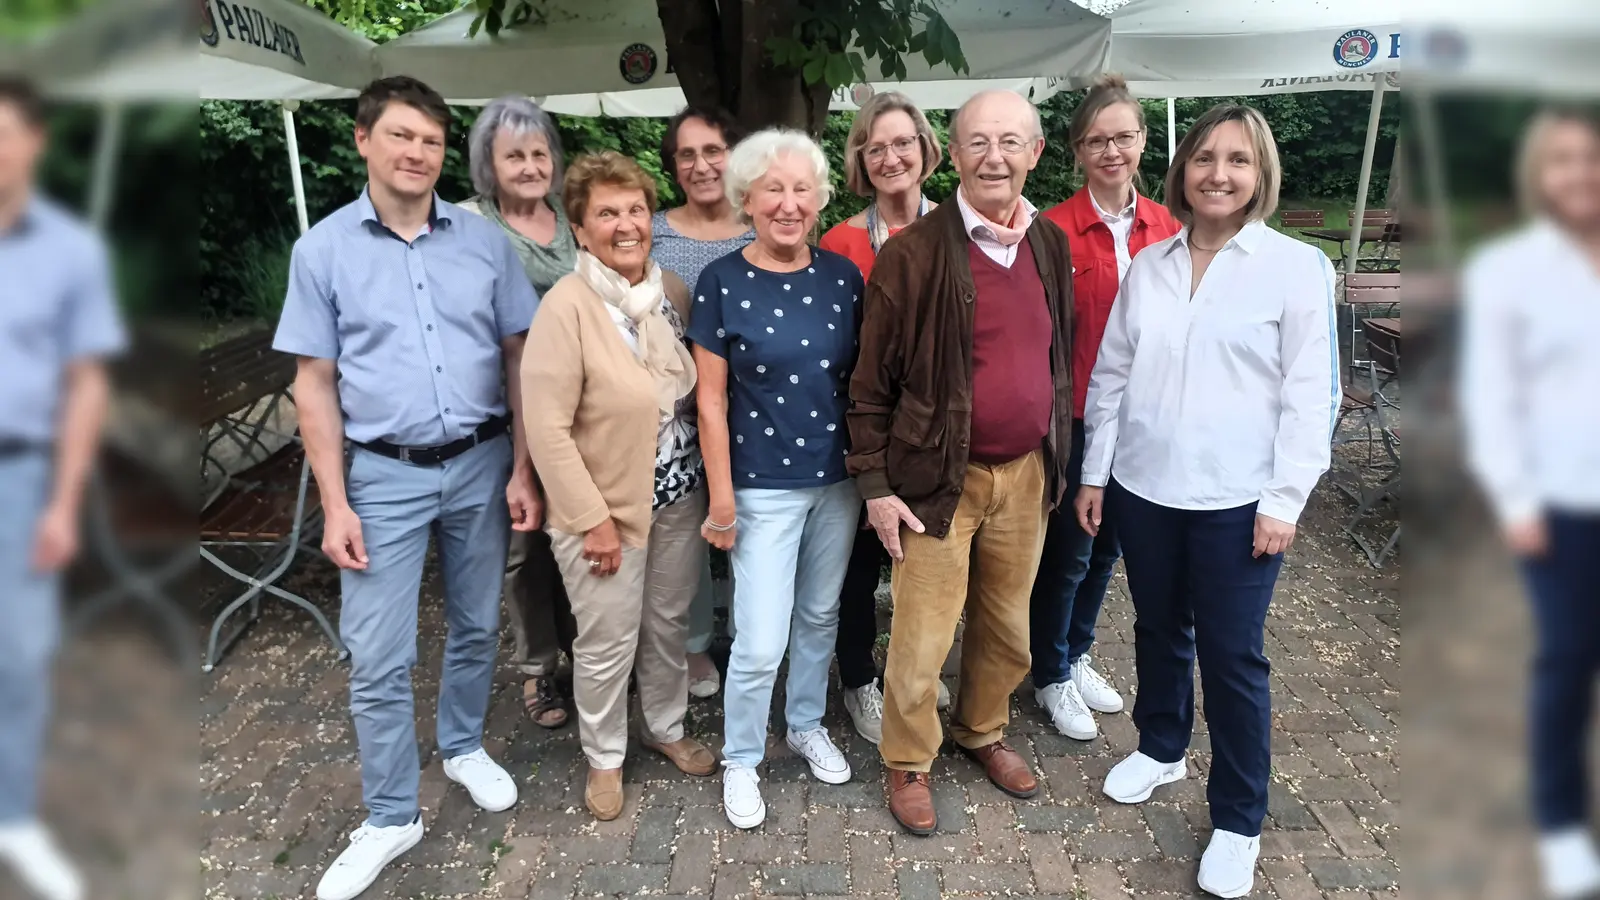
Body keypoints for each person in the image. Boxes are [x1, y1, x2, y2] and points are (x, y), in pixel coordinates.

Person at [272, 77, 536, 900]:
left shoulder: (484, 244)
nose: (416, 152)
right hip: (381, 474)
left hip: (483, 460)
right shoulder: (322, 251)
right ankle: (391, 814)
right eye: (400, 136)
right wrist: (336, 502)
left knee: (476, 620)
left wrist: (524, 467)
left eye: (429, 139)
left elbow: (519, 358)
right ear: (363, 141)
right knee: (378, 653)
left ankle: (460, 745)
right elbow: (312, 385)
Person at [1077, 103, 1338, 899]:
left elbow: (1310, 395)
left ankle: (1238, 818)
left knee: (1232, 655)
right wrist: (1095, 473)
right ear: (1181, 170)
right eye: (1205, 159)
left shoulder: (1294, 268)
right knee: (1158, 628)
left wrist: (1286, 499)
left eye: (1237, 161)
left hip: (1238, 499)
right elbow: (1112, 374)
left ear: (1260, 175)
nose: (1218, 175)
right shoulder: (1151, 265)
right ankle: (1161, 746)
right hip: (1146, 487)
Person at [847, 89, 1075, 835]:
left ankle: (983, 730)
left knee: (1008, 625)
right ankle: (909, 760)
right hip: (938, 480)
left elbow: (1056, 357)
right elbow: (869, 384)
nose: (994, 157)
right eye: (978, 141)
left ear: (1035, 153)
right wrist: (877, 486)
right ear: (954, 151)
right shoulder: (912, 253)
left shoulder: (1049, 243)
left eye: (1011, 142)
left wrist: (1057, 456)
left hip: (1026, 473)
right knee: (922, 633)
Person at [522, 150, 719, 821]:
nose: (626, 223)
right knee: (606, 641)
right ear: (580, 229)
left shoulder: (670, 294)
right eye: (607, 212)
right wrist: (591, 520)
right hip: (603, 508)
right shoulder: (566, 307)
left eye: (636, 208)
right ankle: (604, 755)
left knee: (667, 625)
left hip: (678, 495)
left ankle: (664, 728)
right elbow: (547, 430)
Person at [687, 129, 864, 830]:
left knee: (820, 614)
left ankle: (805, 723)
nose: (788, 204)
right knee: (760, 638)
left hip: (837, 481)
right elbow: (708, 400)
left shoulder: (843, 277)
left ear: (820, 198)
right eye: (774, 189)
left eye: (802, 190)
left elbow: (859, 382)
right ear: (748, 199)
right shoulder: (721, 282)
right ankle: (739, 756)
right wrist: (722, 496)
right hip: (759, 485)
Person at [1459, 106, 1600, 900]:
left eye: (1592, 158)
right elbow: (1491, 399)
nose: (1580, 174)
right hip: (1558, 506)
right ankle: (1560, 822)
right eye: (1563, 161)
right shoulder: (1510, 271)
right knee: (1566, 665)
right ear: (1540, 176)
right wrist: (1513, 498)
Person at [0, 76, 125, 900]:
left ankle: (14, 818)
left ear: (35, 142)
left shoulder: (70, 250)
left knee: (22, 661)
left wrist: (63, 502)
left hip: (22, 475)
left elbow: (87, 383)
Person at [1033, 74, 1180, 742]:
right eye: (1097, 140)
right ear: (1078, 150)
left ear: (1143, 141)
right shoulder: (1052, 231)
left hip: (1143, 420)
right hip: (1075, 420)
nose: (1112, 150)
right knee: (1068, 552)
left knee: (1107, 551)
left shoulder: (1171, 229)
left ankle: (1078, 649)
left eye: (1123, 136)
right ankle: (1050, 674)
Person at [819, 90, 948, 744]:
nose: (892, 157)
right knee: (860, 566)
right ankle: (858, 680)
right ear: (861, 162)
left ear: (926, 149)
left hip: (936, 439)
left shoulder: (959, 227)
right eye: (877, 148)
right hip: (866, 432)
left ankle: (913, 668)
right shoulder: (841, 241)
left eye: (903, 143)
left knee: (926, 563)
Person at [458, 96, 579, 730]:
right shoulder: (467, 225)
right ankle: (537, 670)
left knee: (579, 532)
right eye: (515, 155)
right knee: (524, 545)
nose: (530, 166)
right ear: (489, 163)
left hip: (579, 412)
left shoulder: (570, 218)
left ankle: (586, 652)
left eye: (539, 154)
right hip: (506, 409)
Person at [652, 106, 756, 700]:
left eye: (713, 150)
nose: (700, 164)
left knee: (752, 527)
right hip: (675, 420)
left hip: (751, 412)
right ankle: (692, 648)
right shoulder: (655, 232)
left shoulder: (762, 225)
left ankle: (748, 642)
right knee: (685, 537)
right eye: (686, 154)